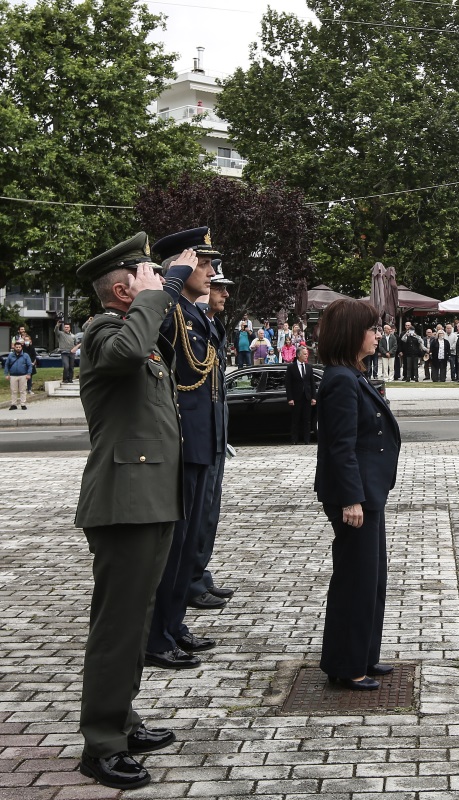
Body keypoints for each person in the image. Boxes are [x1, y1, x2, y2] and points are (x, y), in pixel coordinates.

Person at [73, 233, 196, 790]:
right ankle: (101, 744)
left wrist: (167, 293)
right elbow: (125, 352)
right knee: (118, 627)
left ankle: (122, 718)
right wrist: (163, 290)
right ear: (123, 291)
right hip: (123, 504)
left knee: (137, 620)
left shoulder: (134, 333)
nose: (158, 284)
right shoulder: (103, 333)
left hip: (146, 500)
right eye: (147, 277)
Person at [144, 227, 222, 670]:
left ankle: (173, 626)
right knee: (172, 551)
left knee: (187, 543)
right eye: (203, 264)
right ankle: (157, 636)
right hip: (183, 444)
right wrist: (171, 278)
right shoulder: (168, 308)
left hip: (201, 444)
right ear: (182, 265)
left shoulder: (193, 314)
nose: (210, 272)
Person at [313, 299, 400, 690]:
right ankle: (348, 666)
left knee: (371, 579)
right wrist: (352, 499)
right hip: (356, 496)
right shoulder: (341, 380)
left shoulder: (353, 374)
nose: (377, 334)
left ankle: (361, 654)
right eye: (371, 328)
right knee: (356, 581)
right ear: (352, 333)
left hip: (369, 492)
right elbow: (340, 446)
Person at [188, 269, 237, 612]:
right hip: (199, 437)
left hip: (214, 435)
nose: (224, 294)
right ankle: (190, 582)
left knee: (208, 513)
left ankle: (199, 575)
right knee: (196, 514)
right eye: (219, 287)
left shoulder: (211, 327)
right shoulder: (191, 326)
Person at [286, 346, 319, 444]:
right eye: (304, 354)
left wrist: (313, 397)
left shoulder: (308, 367)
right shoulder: (291, 367)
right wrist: (290, 398)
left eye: (307, 354)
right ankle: (294, 440)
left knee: (307, 420)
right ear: (299, 355)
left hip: (307, 397)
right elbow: (288, 384)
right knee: (295, 420)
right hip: (296, 398)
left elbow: (312, 384)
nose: (306, 356)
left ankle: (307, 440)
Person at [4, 341, 33, 409]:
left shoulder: (25, 355)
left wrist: (29, 374)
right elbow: (6, 365)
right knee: (13, 391)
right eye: (16, 347)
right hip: (13, 375)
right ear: (14, 347)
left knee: (23, 390)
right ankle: (13, 404)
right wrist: (6, 374)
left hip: (23, 375)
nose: (18, 348)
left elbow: (29, 365)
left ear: (21, 347)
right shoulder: (11, 355)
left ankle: (23, 404)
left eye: (19, 347)